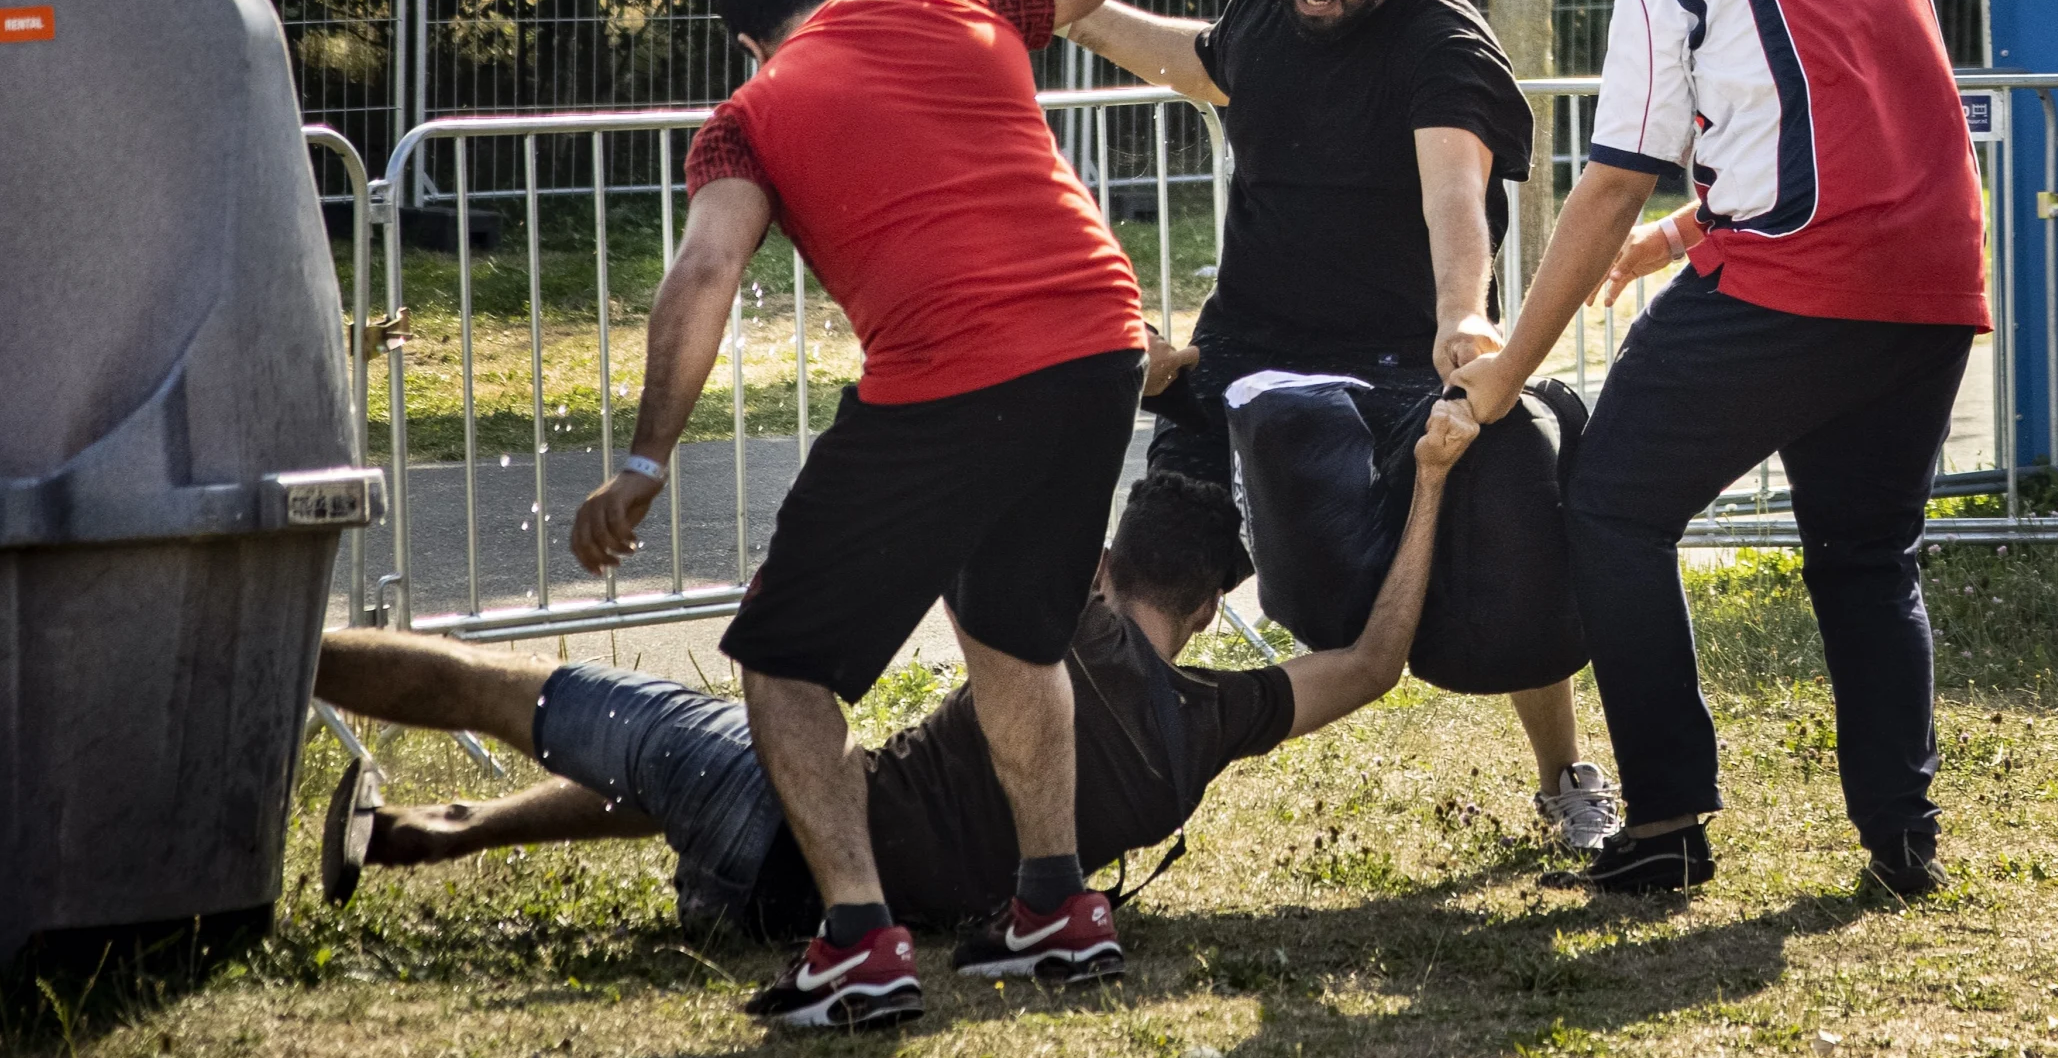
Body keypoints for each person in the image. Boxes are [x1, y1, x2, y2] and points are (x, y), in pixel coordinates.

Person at [566, 0, 1163, 1032]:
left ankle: (857, 940)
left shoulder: (751, 110)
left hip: (956, 369)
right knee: (1014, 634)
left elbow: (704, 274)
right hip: (1101, 341)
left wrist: (646, 460)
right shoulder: (968, 8)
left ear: (746, 38)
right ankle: (1055, 906)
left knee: (784, 660)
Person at [317, 406, 1481, 975]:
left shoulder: (1063, 620)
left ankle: (273, 654)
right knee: (716, 768)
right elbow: (1373, 663)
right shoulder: (1203, 733)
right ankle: (444, 830)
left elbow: (1011, 465)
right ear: (1214, 611)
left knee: (494, 686)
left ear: (1104, 565)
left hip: (791, 828)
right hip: (772, 909)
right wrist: (1429, 482)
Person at [1451, 0, 1990, 898]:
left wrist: (1509, 369)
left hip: (1797, 284)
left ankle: (1668, 824)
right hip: (1937, 283)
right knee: (1867, 556)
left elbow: (1610, 181)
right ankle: (1904, 840)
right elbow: (1851, 119)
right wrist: (1684, 233)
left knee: (1611, 508)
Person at [1056, 0, 1619, 851]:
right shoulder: (1268, 5)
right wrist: (1077, 11)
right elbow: (1205, 65)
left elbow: (1454, 193)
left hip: (1406, 361)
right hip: (1245, 350)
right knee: (1153, 568)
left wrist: (1465, 315)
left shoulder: (1440, 44)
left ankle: (1564, 776)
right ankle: (1086, 794)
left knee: (1508, 540)